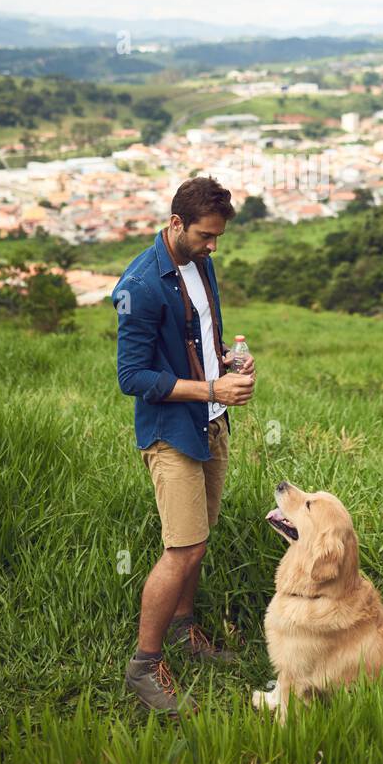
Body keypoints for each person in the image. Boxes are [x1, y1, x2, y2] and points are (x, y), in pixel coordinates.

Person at [111, 175, 256, 714]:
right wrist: (212, 387)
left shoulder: (200, 263)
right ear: (176, 224)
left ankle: (183, 633)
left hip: (209, 421)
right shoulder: (140, 285)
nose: (213, 245)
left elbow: (201, 335)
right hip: (171, 432)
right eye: (205, 235)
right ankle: (144, 666)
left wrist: (230, 361)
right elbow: (132, 376)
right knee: (183, 547)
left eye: (218, 237)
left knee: (201, 535)